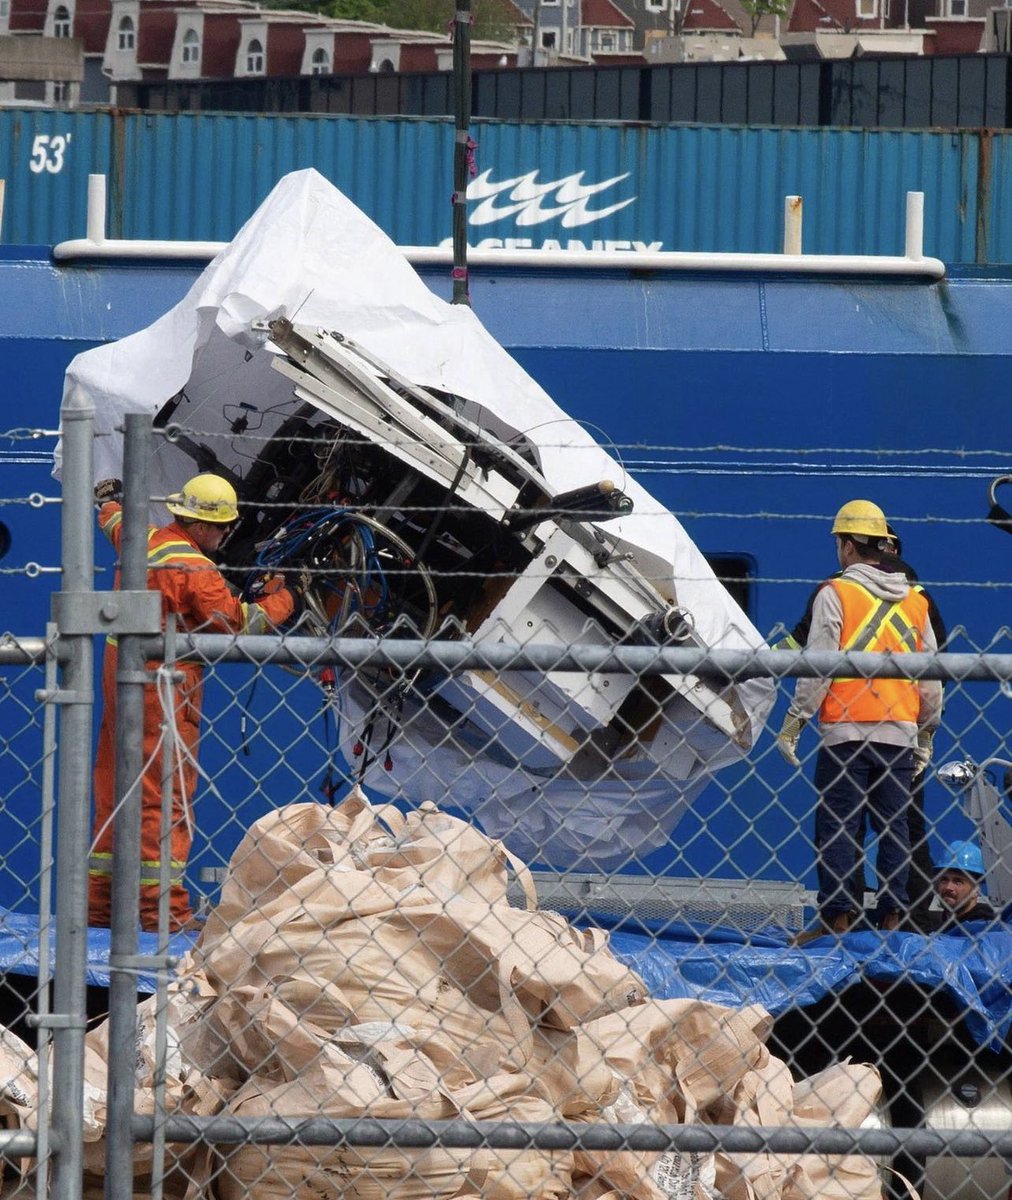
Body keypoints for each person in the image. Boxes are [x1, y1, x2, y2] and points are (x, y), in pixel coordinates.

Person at [88, 473, 301, 932]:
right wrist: (285, 596)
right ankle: (162, 915)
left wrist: (107, 501)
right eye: (224, 528)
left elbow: (113, 519)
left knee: (113, 795)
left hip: (118, 679)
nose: (226, 536)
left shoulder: (142, 538)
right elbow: (241, 625)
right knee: (164, 801)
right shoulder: (195, 569)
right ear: (204, 525)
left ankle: (99, 911)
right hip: (163, 690)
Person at [777, 500, 943, 937]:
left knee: (838, 826)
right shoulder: (915, 601)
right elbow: (932, 677)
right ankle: (893, 918)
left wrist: (795, 720)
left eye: (839, 542)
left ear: (849, 545)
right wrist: (927, 733)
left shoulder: (836, 592)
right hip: (900, 735)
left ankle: (838, 920)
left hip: (845, 734)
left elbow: (819, 664)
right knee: (895, 829)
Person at [918, 841, 996, 932]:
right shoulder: (939, 926)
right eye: (944, 880)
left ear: (976, 890)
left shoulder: (985, 928)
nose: (948, 887)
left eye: (958, 882)